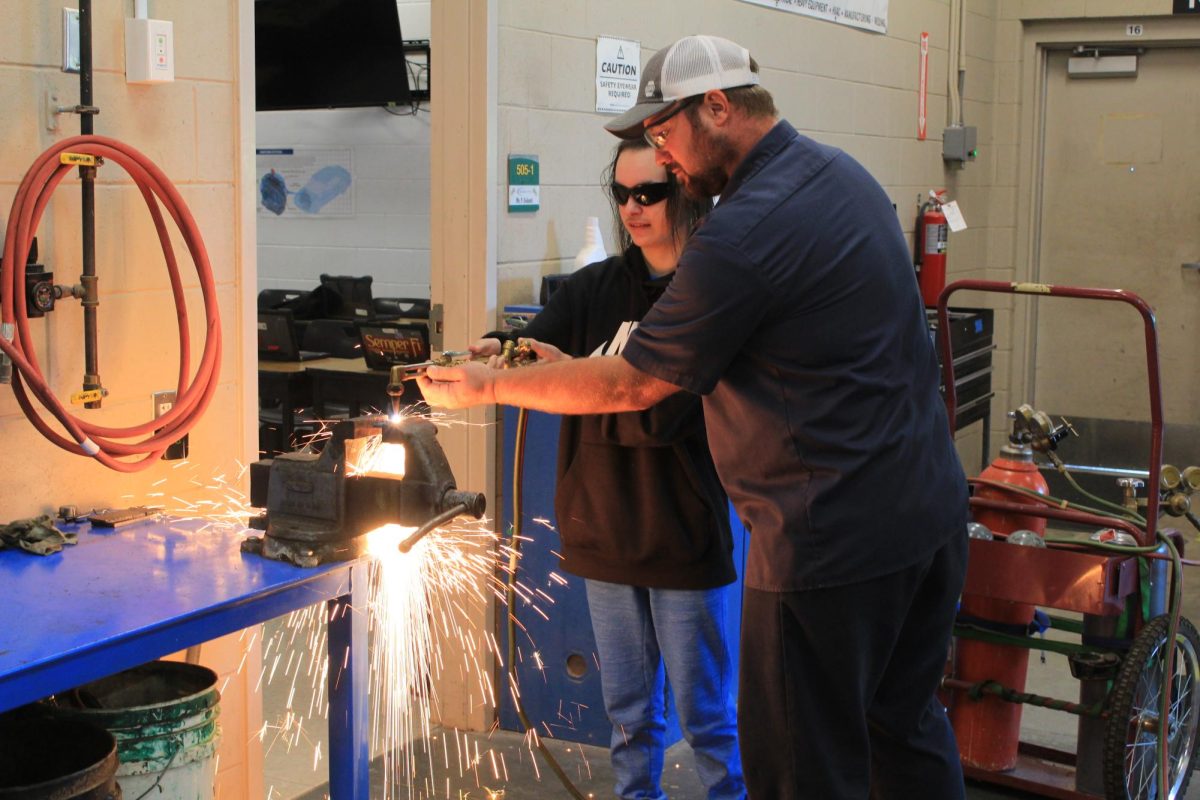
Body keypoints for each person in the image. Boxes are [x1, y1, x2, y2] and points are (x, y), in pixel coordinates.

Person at [420, 34, 969, 799]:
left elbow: (633, 388)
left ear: (718, 106)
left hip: (826, 544)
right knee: (902, 732)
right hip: (925, 517)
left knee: (805, 768)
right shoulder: (840, 175)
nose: (661, 159)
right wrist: (545, 366)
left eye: (665, 134)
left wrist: (485, 388)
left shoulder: (746, 229)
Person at [473, 138, 744, 800]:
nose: (632, 207)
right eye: (621, 194)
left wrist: (567, 382)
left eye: (648, 193)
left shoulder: (707, 291)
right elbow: (531, 347)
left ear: (683, 193)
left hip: (680, 530)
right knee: (626, 717)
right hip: (603, 527)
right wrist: (489, 354)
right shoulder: (598, 286)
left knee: (706, 718)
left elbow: (655, 410)